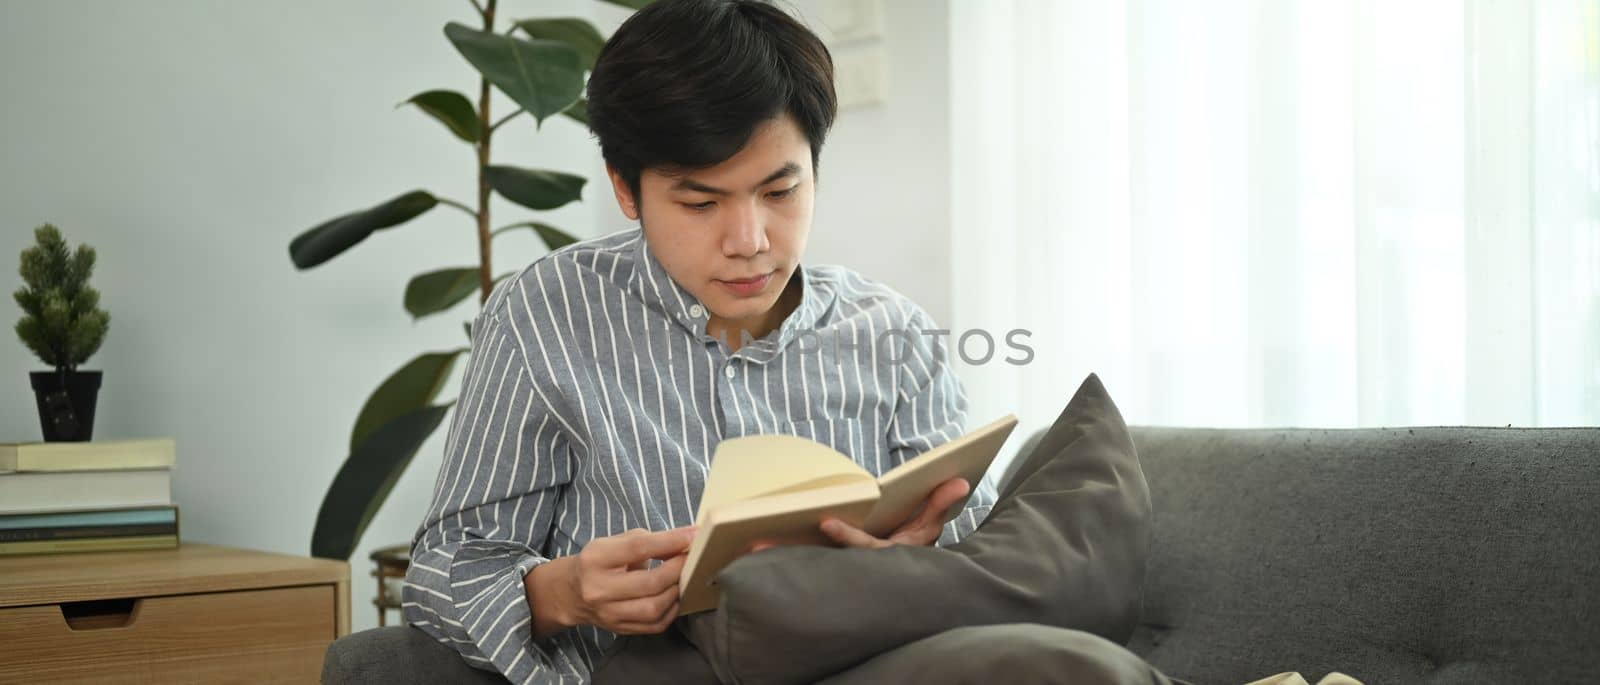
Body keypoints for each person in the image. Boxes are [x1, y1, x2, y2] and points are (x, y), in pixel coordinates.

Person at [402, 2, 1172, 683]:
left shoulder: (889, 329)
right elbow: (443, 569)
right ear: (624, 188)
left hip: (870, 655)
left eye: (781, 191)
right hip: (660, 666)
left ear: (816, 170)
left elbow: (979, 575)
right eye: (700, 202)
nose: (751, 240)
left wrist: (908, 564)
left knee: (1054, 659)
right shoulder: (546, 313)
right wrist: (560, 590)